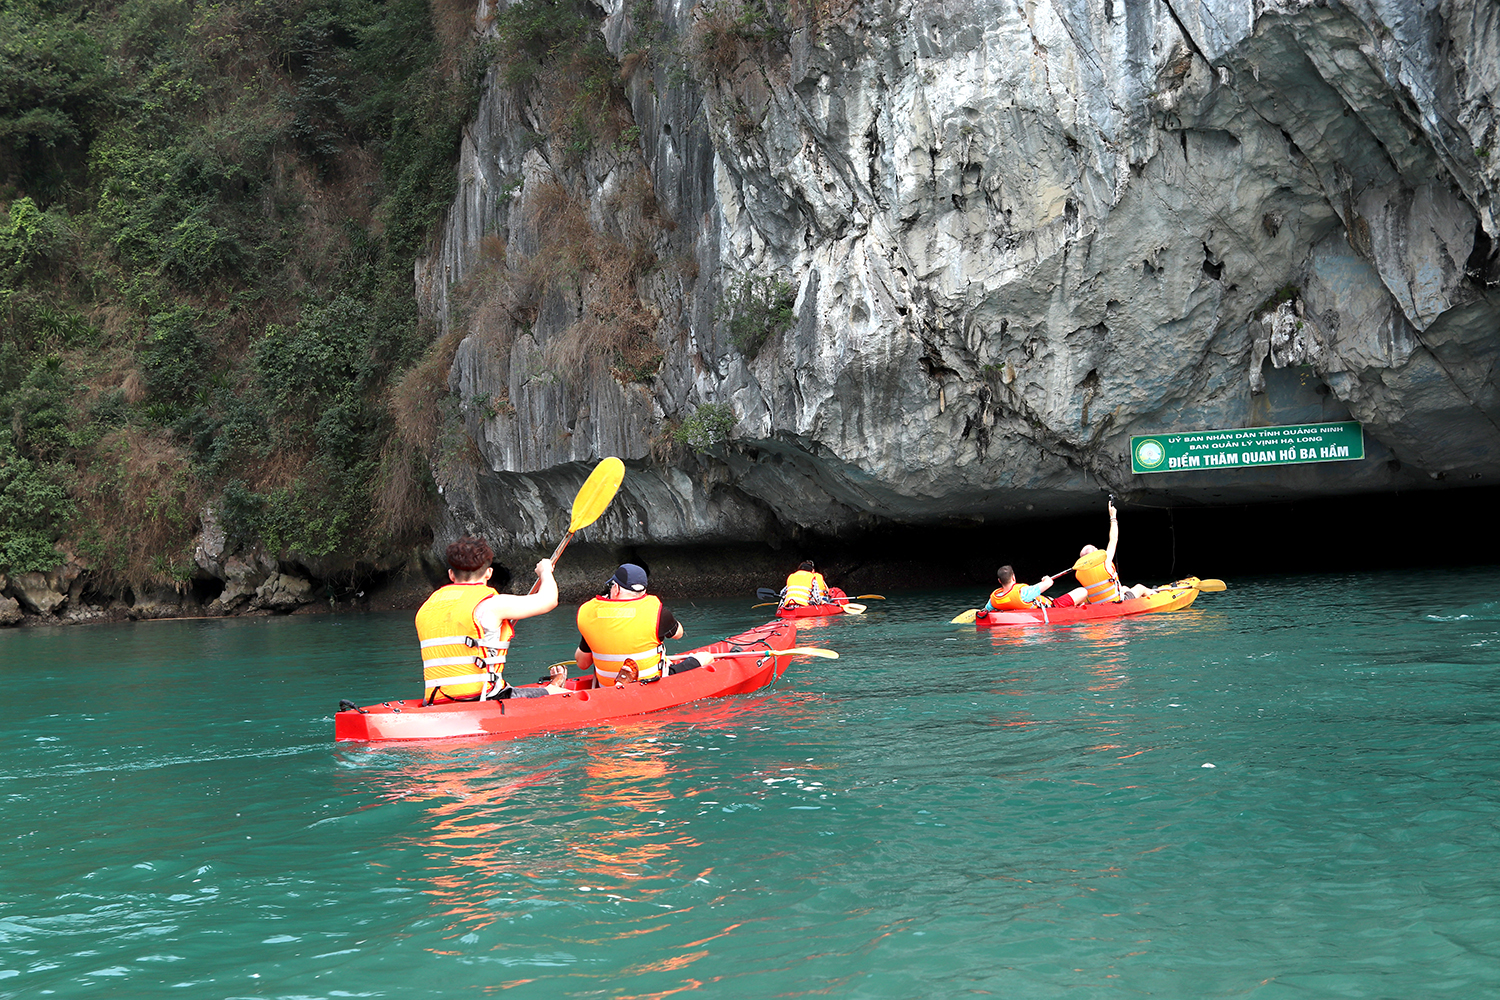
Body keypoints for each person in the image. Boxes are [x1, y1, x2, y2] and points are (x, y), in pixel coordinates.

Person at [415, 536, 564, 703]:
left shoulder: (426, 607)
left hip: (435, 699)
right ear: (489, 573)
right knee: (561, 694)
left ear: (451, 575)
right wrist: (545, 571)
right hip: (483, 698)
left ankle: (553, 685)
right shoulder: (492, 605)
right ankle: (554, 687)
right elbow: (549, 600)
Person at [574, 563, 713, 687]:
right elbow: (679, 634)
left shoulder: (589, 614)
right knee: (704, 657)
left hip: (606, 687)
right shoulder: (658, 614)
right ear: (643, 592)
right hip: (653, 683)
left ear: (615, 589)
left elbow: (583, 664)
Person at [1052, 499, 1156, 607]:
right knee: (1140, 587)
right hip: (1117, 603)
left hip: (1098, 605)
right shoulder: (1106, 562)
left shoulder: (1079, 572)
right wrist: (1113, 516)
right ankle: (1156, 596)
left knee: (1124, 588)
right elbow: (1113, 539)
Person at [985, 565, 1055, 610]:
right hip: (1053, 607)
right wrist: (1046, 578)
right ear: (1013, 577)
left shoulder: (994, 599)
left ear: (999, 581)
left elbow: (986, 610)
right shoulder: (1024, 592)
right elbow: (1049, 583)